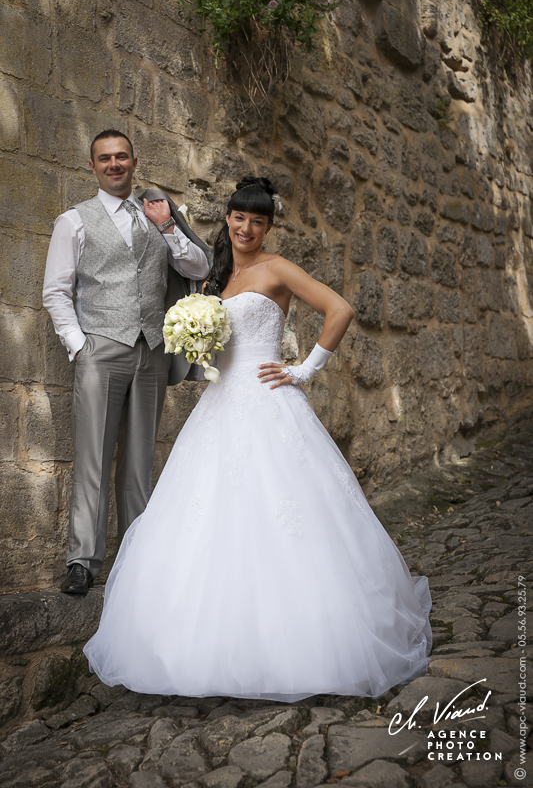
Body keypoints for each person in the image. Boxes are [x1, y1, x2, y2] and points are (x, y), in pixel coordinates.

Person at [84, 177, 432, 701]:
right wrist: (199, 347)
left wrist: (305, 369)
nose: (247, 228)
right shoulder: (219, 276)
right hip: (221, 406)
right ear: (227, 218)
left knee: (285, 515)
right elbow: (221, 347)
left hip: (269, 403)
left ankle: (303, 643)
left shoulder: (277, 268)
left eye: (258, 220)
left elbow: (340, 310)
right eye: (239, 218)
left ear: (268, 225)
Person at [43, 130, 210, 595]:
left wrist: (169, 228)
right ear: (93, 166)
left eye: (121, 157)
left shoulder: (158, 214)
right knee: (94, 456)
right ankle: (83, 560)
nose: (114, 165)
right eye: (104, 159)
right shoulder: (73, 221)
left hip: (151, 351)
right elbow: (56, 291)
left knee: (139, 459)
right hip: (101, 348)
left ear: (135, 162)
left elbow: (198, 268)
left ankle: (138, 555)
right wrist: (79, 345)